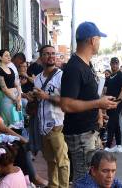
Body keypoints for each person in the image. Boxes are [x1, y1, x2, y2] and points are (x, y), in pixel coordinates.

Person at [60, 21, 117, 182]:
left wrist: (99, 111)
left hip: (89, 132)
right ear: (92, 40)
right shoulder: (74, 68)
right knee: (84, 179)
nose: (100, 43)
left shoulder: (87, 64)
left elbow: (88, 96)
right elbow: (66, 104)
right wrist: (98, 104)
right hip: (80, 135)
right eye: (99, 39)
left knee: (93, 177)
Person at [33, 45, 70, 188]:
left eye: (53, 53)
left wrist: (46, 96)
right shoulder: (37, 79)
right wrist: (33, 98)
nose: (50, 56)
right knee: (50, 160)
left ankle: (64, 186)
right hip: (43, 126)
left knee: (62, 161)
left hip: (56, 124)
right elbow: (38, 100)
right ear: (41, 57)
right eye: (47, 54)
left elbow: (68, 101)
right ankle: (53, 185)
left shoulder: (62, 76)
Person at [0, 49, 24, 133]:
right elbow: (4, 89)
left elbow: (17, 84)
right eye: (6, 55)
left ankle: (19, 143)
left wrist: (19, 97)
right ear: (0, 57)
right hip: (8, 99)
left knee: (20, 120)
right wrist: (16, 99)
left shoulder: (11, 69)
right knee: (13, 122)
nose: (9, 57)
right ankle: (14, 143)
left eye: (9, 55)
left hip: (17, 97)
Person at [103, 57, 122, 153]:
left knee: (111, 124)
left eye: (116, 63)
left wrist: (117, 102)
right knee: (116, 124)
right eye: (113, 63)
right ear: (110, 64)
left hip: (117, 103)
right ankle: (119, 145)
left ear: (118, 64)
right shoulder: (109, 77)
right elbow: (104, 90)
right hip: (109, 103)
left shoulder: (120, 75)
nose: (114, 65)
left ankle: (108, 146)